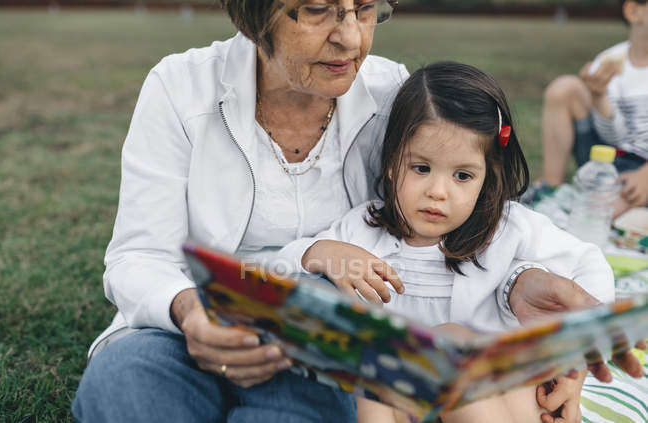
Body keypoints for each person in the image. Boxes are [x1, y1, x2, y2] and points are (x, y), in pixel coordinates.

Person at [72, 1, 644, 422]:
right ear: (254, 16)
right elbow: (139, 256)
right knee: (126, 391)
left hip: (322, 356)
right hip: (183, 327)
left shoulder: (391, 94)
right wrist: (191, 312)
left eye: (366, 10)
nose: (349, 37)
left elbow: (475, 224)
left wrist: (525, 292)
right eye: (318, 11)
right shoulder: (179, 89)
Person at [285, 61, 609, 423]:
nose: (438, 192)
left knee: (448, 342)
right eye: (421, 168)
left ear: (487, 178)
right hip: (408, 404)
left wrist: (574, 356)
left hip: (495, 397)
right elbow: (278, 270)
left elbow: (590, 266)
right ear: (392, 163)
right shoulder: (362, 230)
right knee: (370, 364)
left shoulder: (507, 229)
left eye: (462, 176)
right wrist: (319, 252)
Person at [537, 0, 648, 215]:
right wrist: (598, 96)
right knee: (565, 87)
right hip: (610, 157)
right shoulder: (610, 62)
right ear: (634, 11)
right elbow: (617, 137)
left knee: (597, 212)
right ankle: (550, 188)